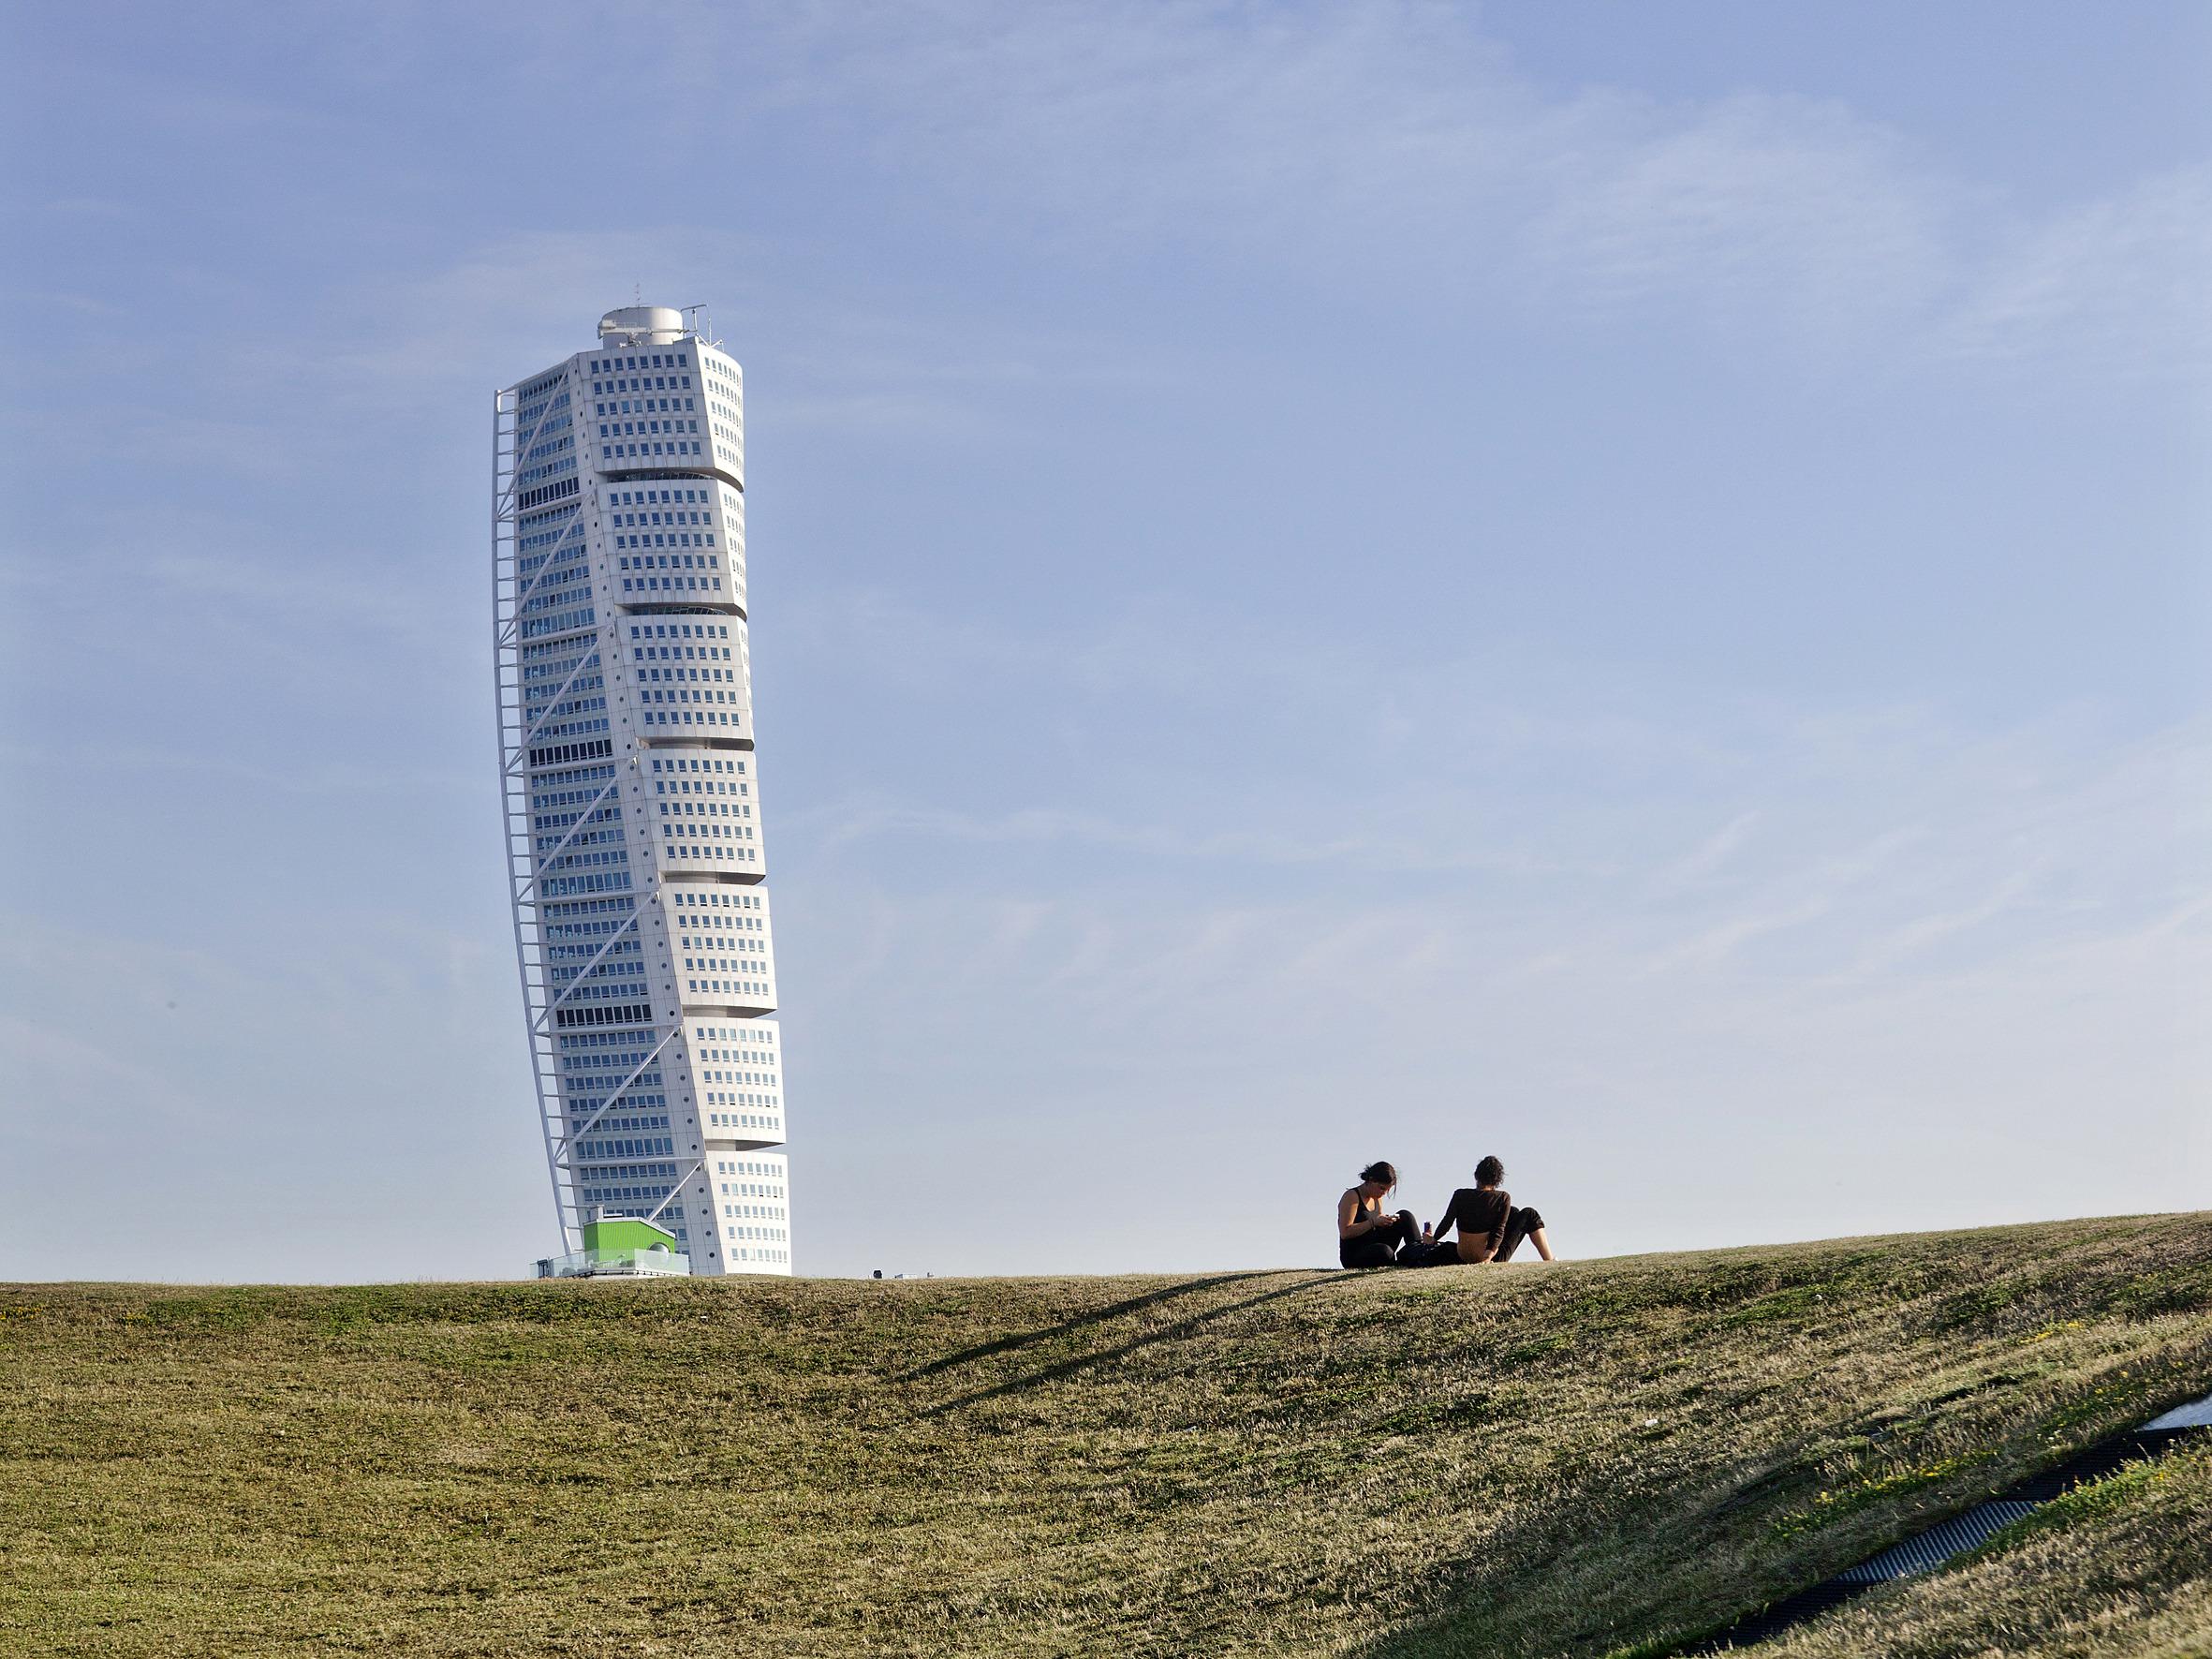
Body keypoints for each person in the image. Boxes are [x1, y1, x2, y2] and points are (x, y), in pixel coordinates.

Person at [1417, 1155, 1556, 1265]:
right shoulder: (1502, 1197)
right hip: (1489, 1257)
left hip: (1462, 1256)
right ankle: (1549, 1260)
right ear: (1497, 1180)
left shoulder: (1460, 1195)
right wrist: (1487, 1258)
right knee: (1529, 1213)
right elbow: (1498, 1231)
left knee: (1513, 1212)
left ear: (1476, 1176)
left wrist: (1434, 1239)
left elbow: (1447, 1222)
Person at [1337, 1161, 1423, 1268]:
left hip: (1374, 1242)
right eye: (1382, 1188)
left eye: (1387, 1190)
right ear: (1371, 1180)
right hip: (1355, 1253)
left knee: (1405, 1216)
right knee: (1384, 1251)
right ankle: (1396, 1264)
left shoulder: (1377, 1198)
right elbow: (1345, 1232)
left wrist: (1386, 1222)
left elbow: (1377, 1228)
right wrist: (1373, 1222)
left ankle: (1419, 1254)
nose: (1384, 1193)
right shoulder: (1352, 1196)